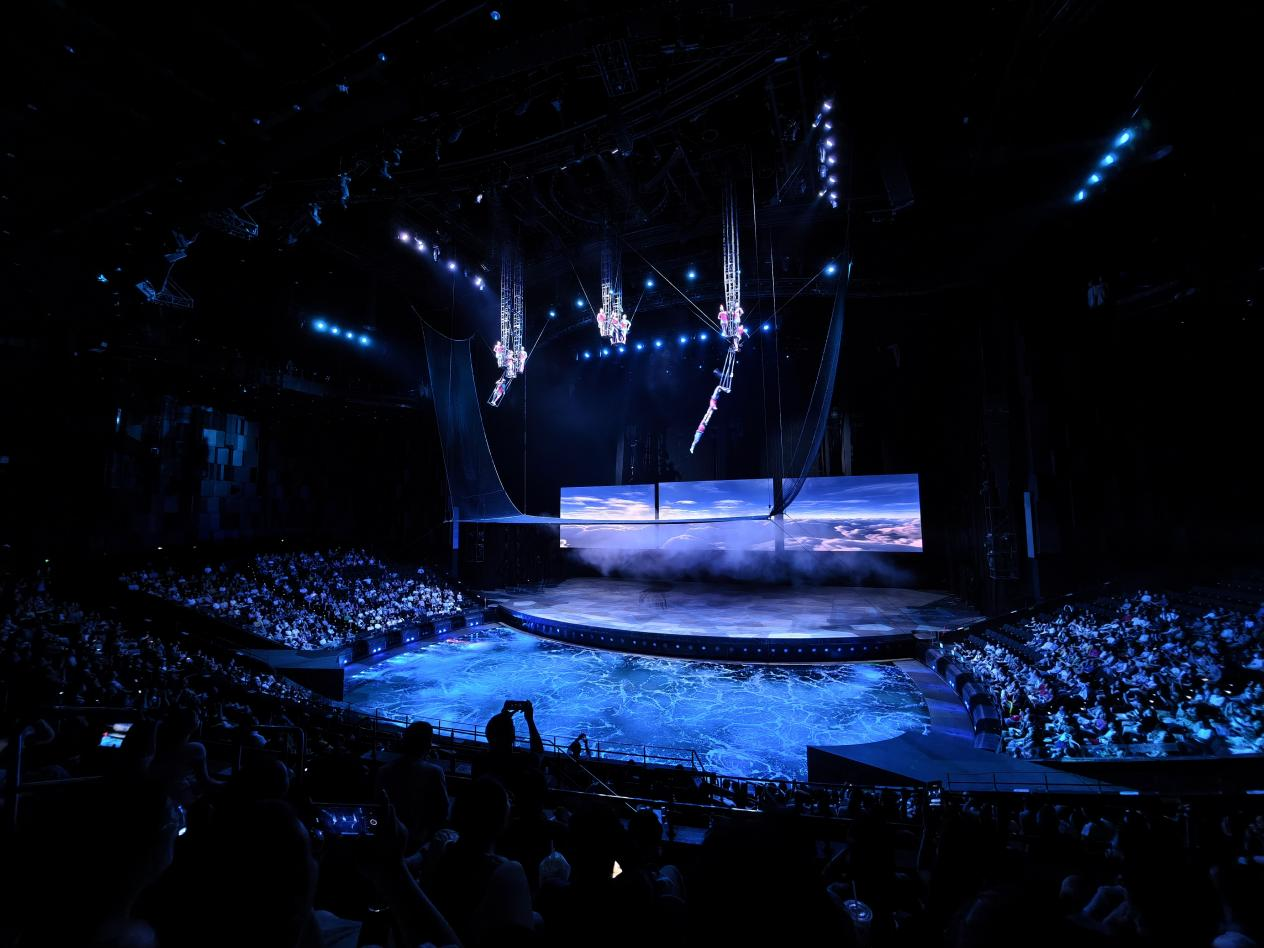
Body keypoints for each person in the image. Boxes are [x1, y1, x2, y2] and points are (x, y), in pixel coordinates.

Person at [375, 721, 449, 853]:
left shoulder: (383, 770)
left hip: (388, 838)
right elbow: (443, 810)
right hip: (419, 841)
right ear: (428, 745)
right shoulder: (434, 772)